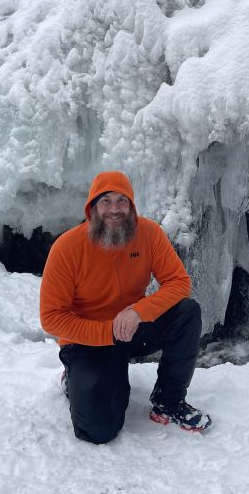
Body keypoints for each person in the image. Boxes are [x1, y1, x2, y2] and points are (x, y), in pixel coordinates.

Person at [40, 171, 211, 443]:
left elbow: (179, 283)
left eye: (122, 201)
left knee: (187, 313)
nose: (115, 209)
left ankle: (169, 400)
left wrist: (139, 312)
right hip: (88, 341)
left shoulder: (149, 234)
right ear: (92, 207)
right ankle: (75, 380)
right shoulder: (67, 248)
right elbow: (51, 318)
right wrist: (106, 333)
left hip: (133, 328)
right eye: (106, 201)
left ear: (131, 206)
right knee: (98, 431)